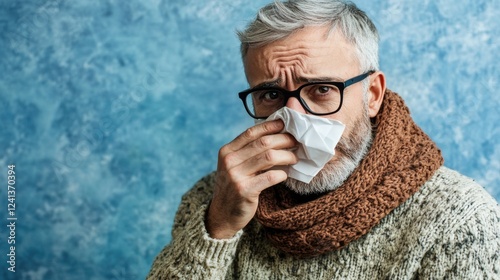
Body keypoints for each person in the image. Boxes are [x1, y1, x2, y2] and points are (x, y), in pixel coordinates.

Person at [147, 0, 500, 279]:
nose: (295, 123)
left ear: (372, 94)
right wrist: (220, 224)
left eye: (321, 90)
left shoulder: (457, 218)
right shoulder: (216, 199)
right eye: (270, 95)